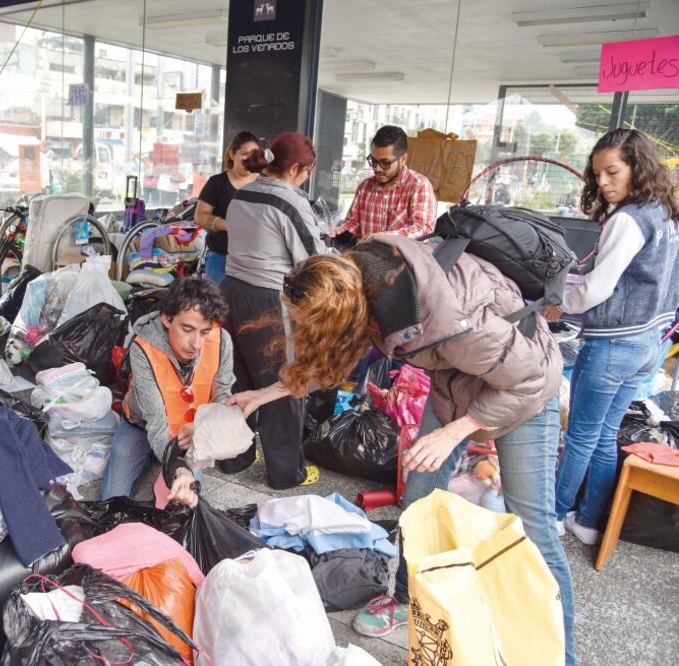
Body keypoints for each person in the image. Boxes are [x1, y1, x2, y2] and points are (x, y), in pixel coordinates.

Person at [230, 238, 576, 665]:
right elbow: (332, 360)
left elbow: (530, 378)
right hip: (456, 382)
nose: (304, 331)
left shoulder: (451, 317)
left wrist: (454, 432)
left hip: (524, 390)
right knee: (417, 500)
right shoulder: (364, 286)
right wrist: (264, 395)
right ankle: (405, 600)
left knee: (534, 528)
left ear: (340, 315)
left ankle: (563, 656)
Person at [544, 129, 679, 546]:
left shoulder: (628, 218)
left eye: (613, 171)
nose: (603, 182)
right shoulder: (664, 212)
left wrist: (559, 305)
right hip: (648, 342)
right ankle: (588, 522)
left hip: (614, 344)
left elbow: (599, 288)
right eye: (597, 173)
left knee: (582, 434)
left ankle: (551, 514)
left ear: (637, 167)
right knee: (604, 434)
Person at [220, 131, 327, 490]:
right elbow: (313, 259)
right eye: (307, 171)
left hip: (232, 295)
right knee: (285, 381)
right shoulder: (288, 202)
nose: (307, 178)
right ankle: (286, 474)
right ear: (296, 167)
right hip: (270, 301)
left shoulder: (243, 193)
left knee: (239, 378)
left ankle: (234, 456)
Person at [101, 276, 235, 508]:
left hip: (192, 432)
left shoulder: (222, 340)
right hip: (141, 426)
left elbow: (223, 395)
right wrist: (180, 468)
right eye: (187, 329)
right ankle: (158, 459)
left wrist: (205, 428)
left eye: (204, 332)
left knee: (185, 505)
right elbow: (155, 421)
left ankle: (166, 463)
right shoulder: (144, 347)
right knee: (113, 502)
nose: (196, 343)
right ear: (166, 318)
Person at [333, 125, 437, 242]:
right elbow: (352, 224)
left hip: (402, 259)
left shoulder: (418, 185)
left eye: (385, 163)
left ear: (403, 159)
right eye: (373, 161)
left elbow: (423, 229)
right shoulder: (365, 187)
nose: (377, 168)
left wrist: (382, 237)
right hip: (365, 257)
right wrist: (336, 232)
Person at [195, 130, 261, 285]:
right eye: (244, 154)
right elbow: (200, 215)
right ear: (232, 154)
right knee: (218, 303)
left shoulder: (264, 184)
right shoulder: (217, 183)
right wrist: (228, 226)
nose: (249, 159)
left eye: (254, 155)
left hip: (255, 258)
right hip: (221, 256)